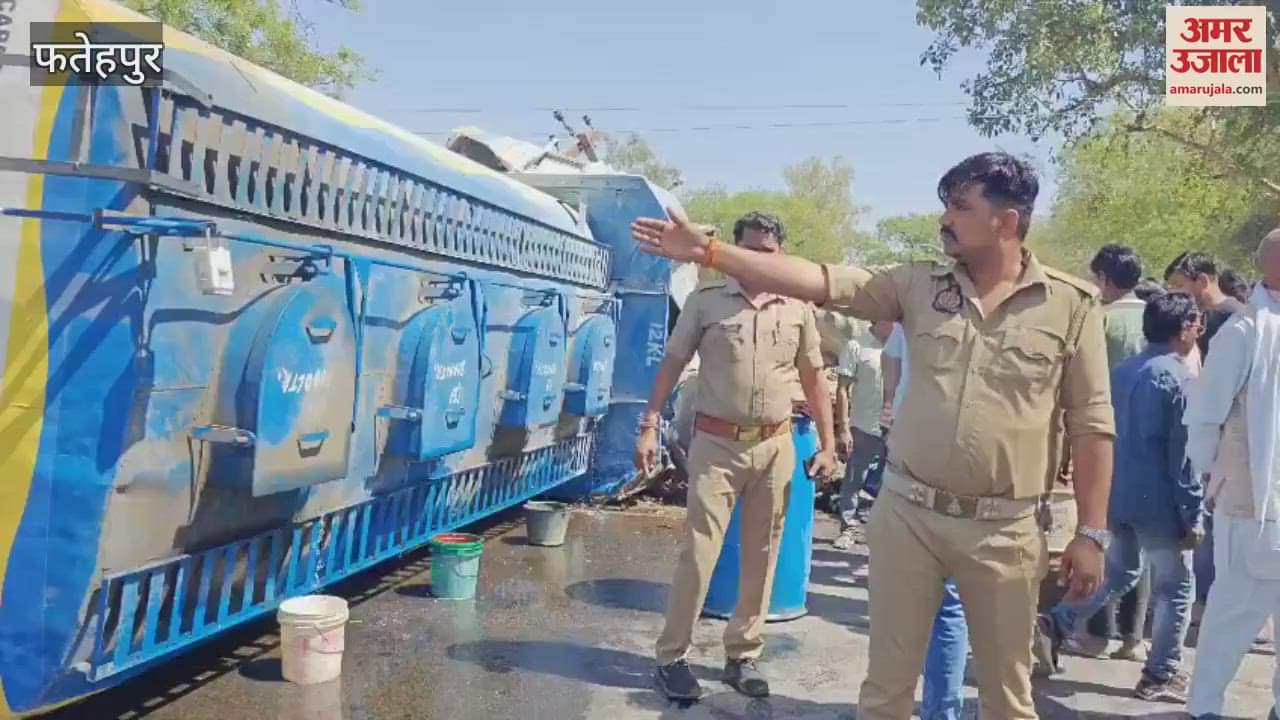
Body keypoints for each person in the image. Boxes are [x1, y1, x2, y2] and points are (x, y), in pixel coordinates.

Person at [632, 151, 1115, 720]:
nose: (945, 219)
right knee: (885, 692)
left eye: (960, 207)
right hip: (909, 516)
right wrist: (709, 252)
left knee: (1008, 698)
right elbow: (821, 281)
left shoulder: (1070, 305)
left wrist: (1091, 533)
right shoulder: (915, 285)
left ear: (1007, 221)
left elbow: (1092, 424)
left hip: (1004, 531)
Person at [634, 211, 837, 701]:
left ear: (780, 255)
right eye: (749, 250)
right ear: (733, 251)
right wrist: (649, 424)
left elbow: (813, 377)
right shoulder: (708, 303)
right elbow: (673, 362)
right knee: (699, 555)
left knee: (763, 554)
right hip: (717, 445)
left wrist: (830, 444)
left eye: (767, 253)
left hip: (776, 445)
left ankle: (742, 655)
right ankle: (672, 657)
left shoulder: (798, 308)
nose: (757, 261)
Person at [1037, 292, 1205, 702]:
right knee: (1176, 587)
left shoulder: (1124, 371)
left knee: (1119, 572)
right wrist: (1193, 513)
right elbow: (1182, 458)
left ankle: (1057, 622)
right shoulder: (1178, 378)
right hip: (1159, 503)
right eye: (1196, 325)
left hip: (1118, 495)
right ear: (1184, 329)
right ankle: (1161, 672)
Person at [1185, 229, 1280, 720]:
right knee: (1232, 614)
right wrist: (1217, 482)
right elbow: (1204, 417)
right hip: (1251, 502)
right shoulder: (1246, 331)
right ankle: (1205, 709)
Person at [1080, 244, 1151, 661]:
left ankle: (1096, 633)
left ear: (1105, 279)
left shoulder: (1098, 320)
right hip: (1150, 449)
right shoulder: (1157, 318)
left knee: (1101, 538)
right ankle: (1133, 636)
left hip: (1105, 444)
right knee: (1138, 547)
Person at [1165, 251, 1246, 603]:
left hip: (1227, 439)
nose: (1181, 295)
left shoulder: (1234, 319)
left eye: (1182, 286)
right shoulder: (1208, 318)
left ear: (1202, 280)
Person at [832, 320, 893, 549]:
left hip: (897, 428)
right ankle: (848, 528)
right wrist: (844, 428)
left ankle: (885, 533)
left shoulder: (905, 344)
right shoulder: (857, 346)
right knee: (854, 479)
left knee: (892, 483)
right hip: (864, 426)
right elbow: (842, 389)